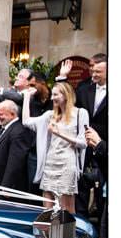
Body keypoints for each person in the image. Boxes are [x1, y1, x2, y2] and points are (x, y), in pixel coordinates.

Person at [22, 83, 89, 213]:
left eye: (55, 94)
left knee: (66, 210)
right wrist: (26, 97)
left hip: (67, 164)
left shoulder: (81, 113)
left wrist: (60, 133)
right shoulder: (50, 115)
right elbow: (26, 122)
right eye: (52, 94)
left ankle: (68, 234)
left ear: (66, 95)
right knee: (47, 210)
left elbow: (83, 143)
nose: (52, 98)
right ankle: (48, 234)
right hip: (50, 163)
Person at [75, 55, 107, 219]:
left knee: (103, 187)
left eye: (98, 72)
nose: (93, 75)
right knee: (81, 185)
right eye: (93, 71)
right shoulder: (83, 88)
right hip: (84, 145)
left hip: (104, 146)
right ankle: (81, 221)